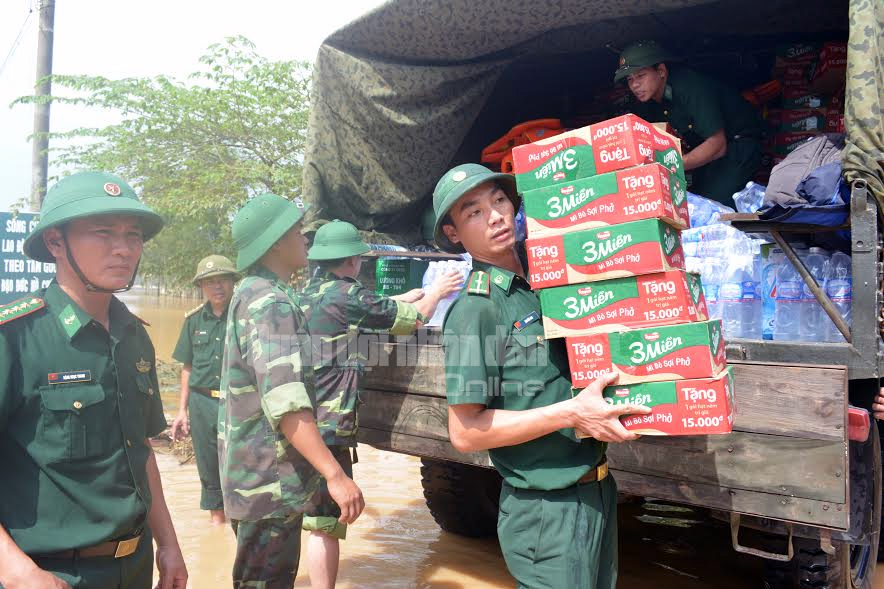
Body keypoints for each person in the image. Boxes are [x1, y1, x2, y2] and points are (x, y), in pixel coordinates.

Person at [433, 163, 651, 589]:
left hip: (597, 492)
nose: (495, 215)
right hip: (544, 511)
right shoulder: (478, 309)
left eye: (498, 200)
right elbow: (465, 432)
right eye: (473, 212)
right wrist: (571, 414)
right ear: (454, 234)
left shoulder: (547, 282)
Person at [0, 172, 187, 589]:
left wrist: (168, 544)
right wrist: (16, 571)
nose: (123, 249)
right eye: (103, 233)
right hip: (50, 574)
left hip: (134, 567)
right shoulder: (15, 338)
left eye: (133, 235)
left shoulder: (134, 336)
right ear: (55, 242)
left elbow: (140, 450)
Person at [297, 220, 463, 589]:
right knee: (328, 522)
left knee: (305, 518)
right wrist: (437, 291)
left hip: (301, 422)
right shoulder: (348, 296)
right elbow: (415, 322)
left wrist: (407, 296)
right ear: (354, 260)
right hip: (328, 425)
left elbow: (369, 309)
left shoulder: (307, 294)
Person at [219, 193, 364, 588]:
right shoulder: (271, 303)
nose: (305, 240)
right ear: (276, 242)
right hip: (270, 485)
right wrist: (335, 475)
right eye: (298, 231)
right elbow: (286, 404)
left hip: (253, 478)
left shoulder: (249, 293)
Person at [614, 39, 763, 206]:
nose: (635, 85)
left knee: (713, 206)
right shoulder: (647, 102)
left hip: (736, 146)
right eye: (629, 79)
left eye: (641, 76)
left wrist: (669, 165)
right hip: (701, 155)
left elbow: (717, 145)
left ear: (661, 71)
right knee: (688, 205)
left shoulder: (690, 86)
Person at [169, 255, 239, 525]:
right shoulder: (194, 320)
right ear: (202, 287)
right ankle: (217, 528)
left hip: (238, 403)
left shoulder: (243, 317)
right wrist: (181, 411)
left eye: (222, 280)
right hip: (202, 404)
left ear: (233, 282)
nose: (217, 286)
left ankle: (241, 524)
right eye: (209, 282)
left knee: (239, 467)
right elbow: (187, 367)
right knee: (209, 470)